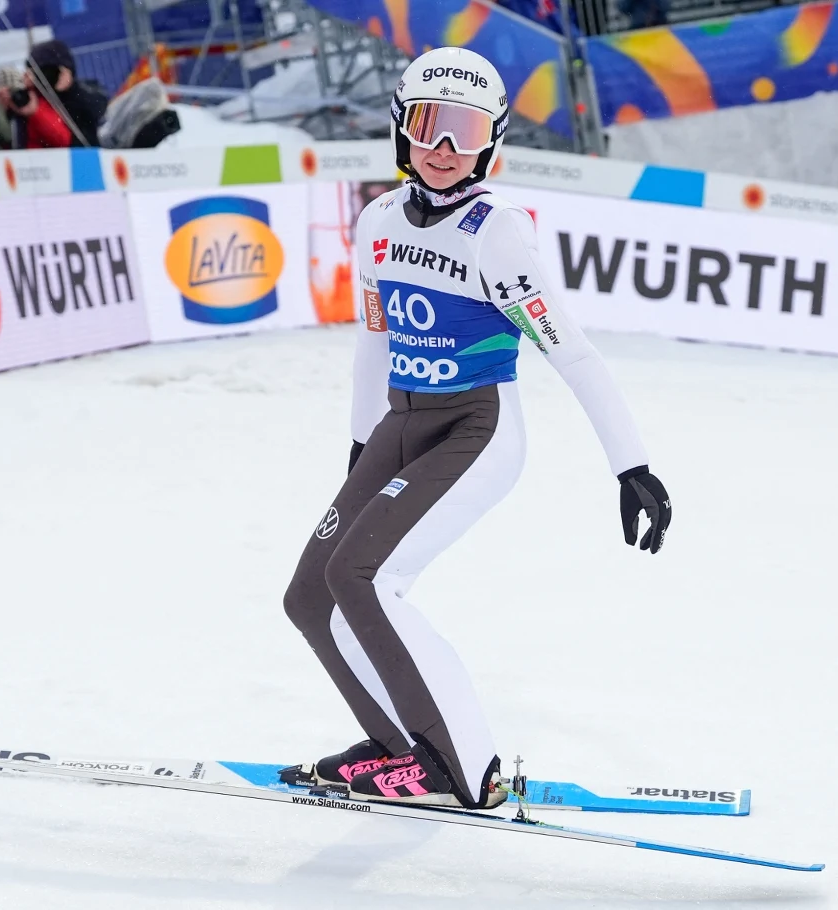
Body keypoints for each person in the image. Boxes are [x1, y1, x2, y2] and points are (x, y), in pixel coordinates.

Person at [281, 47, 671, 811]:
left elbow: (573, 352)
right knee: (310, 597)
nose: (444, 149)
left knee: (363, 578)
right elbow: (374, 341)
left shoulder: (499, 234)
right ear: (401, 128)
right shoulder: (380, 221)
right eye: (429, 126)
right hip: (401, 420)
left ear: (491, 142)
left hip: (475, 430)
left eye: (464, 132)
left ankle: (464, 766)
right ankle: (397, 745)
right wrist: (362, 451)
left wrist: (632, 467)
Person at [0, 39, 107, 148]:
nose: (36, 79)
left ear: (63, 71)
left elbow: (76, 142)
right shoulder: (32, 98)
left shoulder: (86, 96)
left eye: (42, 72)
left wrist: (37, 112)